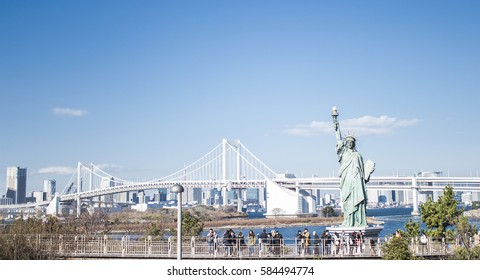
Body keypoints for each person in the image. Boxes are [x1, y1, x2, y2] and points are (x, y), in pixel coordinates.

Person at [332, 108, 374, 227]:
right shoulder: (343, 152)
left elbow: (364, 176)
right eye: (348, 141)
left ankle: (359, 221)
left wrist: (368, 172)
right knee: (348, 201)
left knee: (359, 201)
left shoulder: (358, 155)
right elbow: (338, 139)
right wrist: (335, 121)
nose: (350, 143)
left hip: (357, 181)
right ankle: (349, 221)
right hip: (347, 181)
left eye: (352, 142)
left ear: (354, 144)